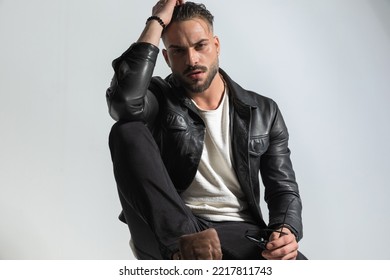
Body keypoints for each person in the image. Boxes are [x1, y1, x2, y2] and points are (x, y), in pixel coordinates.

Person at [106, 0, 306, 260]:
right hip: (168, 231)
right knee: (126, 130)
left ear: (216, 45)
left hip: (240, 232)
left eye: (200, 46)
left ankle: (198, 254)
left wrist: (286, 230)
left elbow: (283, 188)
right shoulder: (158, 97)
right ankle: (187, 247)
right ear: (166, 57)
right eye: (178, 51)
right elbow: (124, 101)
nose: (192, 60)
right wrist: (156, 22)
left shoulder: (264, 111)